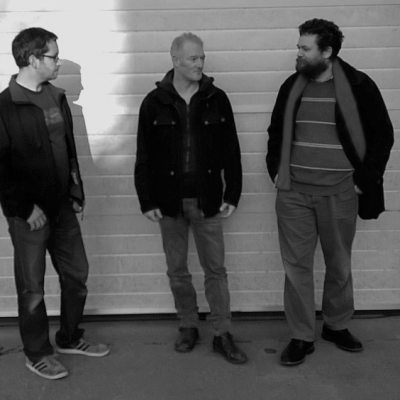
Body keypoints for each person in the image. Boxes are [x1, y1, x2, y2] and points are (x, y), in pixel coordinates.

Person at [266, 19, 393, 366]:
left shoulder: (359, 86)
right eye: (298, 46)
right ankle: (301, 336)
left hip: (340, 192)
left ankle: (336, 325)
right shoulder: (292, 85)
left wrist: (362, 182)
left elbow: (382, 136)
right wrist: (276, 171)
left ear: (327, 52)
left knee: (339, 264)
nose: (298, 53)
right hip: (293, 193)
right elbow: (276, 131)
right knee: (296, 268)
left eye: (304, 48)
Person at [0, 27, 110, 380]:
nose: (58, 62)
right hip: (29, 215)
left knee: (77, 274)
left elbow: (69, 149)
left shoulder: (57, 97)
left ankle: (70, 337)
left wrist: (76, 191)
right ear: (34, 60)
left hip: (62, 206)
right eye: (54, 56)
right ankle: (37, 353)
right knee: (32, 289)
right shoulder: (5, 106)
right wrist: (21, 208)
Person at [135, 32, 247, 364]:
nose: (200, 63)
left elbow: (231, 150)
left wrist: (233, 192)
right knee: (177, 270)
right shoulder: (154, 102)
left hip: (207, 199)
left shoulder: (216, 98)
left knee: (216, 269)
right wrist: (146, 200)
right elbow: (144, 156)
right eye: (193, 58)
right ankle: (188, 325)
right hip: (169, 202)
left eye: (202, 57)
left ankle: (222, 333)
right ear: (175, 61)